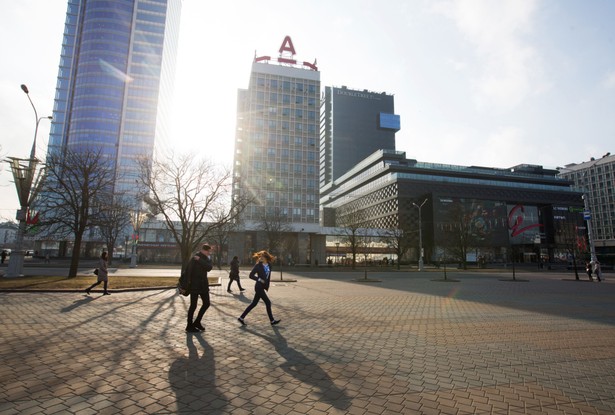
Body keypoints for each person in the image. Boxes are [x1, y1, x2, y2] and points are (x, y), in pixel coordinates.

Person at [237, 250, 280, 326]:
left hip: (262, 287)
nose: (261, 258)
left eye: (262, 256)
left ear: (266, 257)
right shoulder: (258, 266)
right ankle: (272, 321)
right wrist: (259, 279)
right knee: (268, 302)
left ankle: (241, 318)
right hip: (258, 287)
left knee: (254, 303)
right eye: (260, 256)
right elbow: (251, 275)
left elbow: (267, 276)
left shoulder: (269, 265)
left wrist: (266, 283)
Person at [183, 244, 213, 333]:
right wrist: (186, 284)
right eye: (208, 251)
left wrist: (200, 260)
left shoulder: (206, 259)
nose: (209, 253)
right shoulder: (194, 257)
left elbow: (209, 267)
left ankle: (197, 322)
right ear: (203, 250)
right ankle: (189, 326)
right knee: (193, 306)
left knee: (207, 303)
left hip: (203, 285)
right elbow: (188, 270)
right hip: (194, 285)